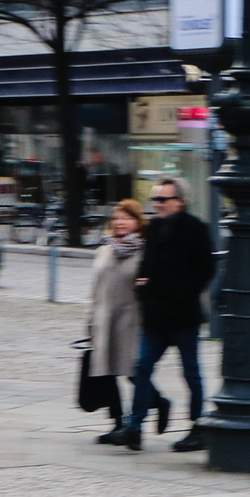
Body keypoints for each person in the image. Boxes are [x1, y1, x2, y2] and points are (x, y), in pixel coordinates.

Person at [111, 176, 212, 453]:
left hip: (183, 315)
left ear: (179, 201)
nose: (157, 204)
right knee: (141, 366)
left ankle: (198, 425)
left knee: (191, 372)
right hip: (155, 316)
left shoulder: (195, 228)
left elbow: (205, 270)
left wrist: (180, 292)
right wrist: (144, 289)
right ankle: (135, 426)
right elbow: (145, 267)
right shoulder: (154, 228)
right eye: (155, 199)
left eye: (163, 199)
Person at [87, 200, 164, 438]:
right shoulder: (105, 249)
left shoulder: (145, 251)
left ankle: (160, 402)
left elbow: (152, 285)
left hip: (132, 318)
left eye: (126, 218)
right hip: (104, 317)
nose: (120, 222)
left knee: (133, 371)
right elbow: (96, 286)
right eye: (116, 218)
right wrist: (90, 319)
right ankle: (119, 422)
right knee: (106, 371)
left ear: (138, 222)